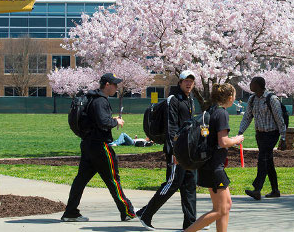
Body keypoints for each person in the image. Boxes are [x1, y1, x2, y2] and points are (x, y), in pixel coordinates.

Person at [62, 73, 136, 222]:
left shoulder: (92, 99)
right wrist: (116, 122)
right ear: (107, 85)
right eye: (115, 84)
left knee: (80, 180)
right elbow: (103, 122)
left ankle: (70, 212)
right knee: (113, 179)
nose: (117, 87)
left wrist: (111, 119)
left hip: (88, 145)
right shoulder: (100, 101)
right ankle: (127, 211)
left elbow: (97, 120)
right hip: (100, 146)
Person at [137, 70, 198, 231]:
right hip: (177, 151)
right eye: (186, 80)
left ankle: (190, 223)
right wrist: (176, 152)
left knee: (190, 185)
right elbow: (171, 127)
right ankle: (146, 214)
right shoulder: (173, 99)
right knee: (173, 183)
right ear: (179, 82)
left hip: (188, 151)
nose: (189, 83)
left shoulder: (190, 99)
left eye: (191, 81)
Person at [184, 83, 244, 232]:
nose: (235, 99)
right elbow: (223, 142)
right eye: (234, 96)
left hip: (209, 165)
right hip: (214, 167)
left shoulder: (211, 110)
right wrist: (237, 139)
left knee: (225, 206)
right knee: (220, 210)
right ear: (230, 98)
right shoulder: (222, 113)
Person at [238, 76, 287, 200]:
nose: (250, 85)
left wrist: (283, 137)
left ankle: (257, 189)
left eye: (252, 83)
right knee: (268, 162)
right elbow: (247, 117)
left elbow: (279, 119)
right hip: (260, 134)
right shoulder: (252, 99)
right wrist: (240, 131)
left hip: (272, 134)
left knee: (262, 159)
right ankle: (275, 190)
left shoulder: (272, 99)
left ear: (258, 85)